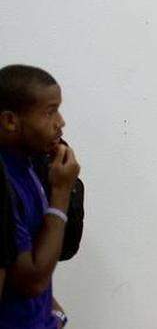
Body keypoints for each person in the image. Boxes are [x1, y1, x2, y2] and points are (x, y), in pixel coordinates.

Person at [0, 65, 80, 329]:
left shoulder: (33, 166)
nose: (61, 121)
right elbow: (31, 280)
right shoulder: (6, 180)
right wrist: (60, 193)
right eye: (50, 112)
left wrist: (54, 315)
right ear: (10, 121)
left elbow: (56, 250)